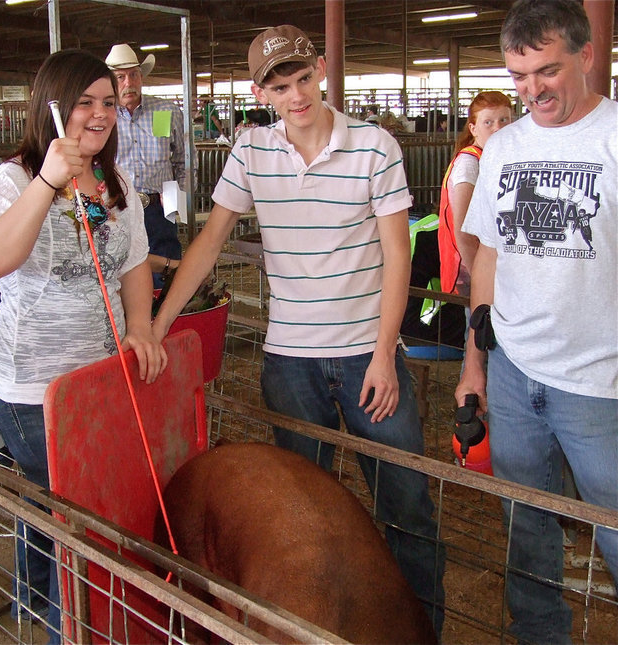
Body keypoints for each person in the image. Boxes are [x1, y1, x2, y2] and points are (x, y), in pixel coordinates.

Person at [151, 25, 445, 638]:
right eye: (280, 87)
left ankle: (425, 633)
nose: (296, 96)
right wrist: (160, 322)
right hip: (290, 359)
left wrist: (386, 353)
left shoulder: (375, 145)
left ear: (320, 71)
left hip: (368, 354)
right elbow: (209, 242)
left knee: (408, 507)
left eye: (303, 80)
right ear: (262, 91)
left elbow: (397, 253)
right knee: (300, 526)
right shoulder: (252, 150)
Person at [0, 49, 166, 643]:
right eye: (85, 102)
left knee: (55, 513)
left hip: (97, 380)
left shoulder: (116, 180)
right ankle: (65, 626)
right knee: (78, 527)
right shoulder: (13, 179)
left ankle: (35, 606)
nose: (100, 114)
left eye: (108, 102)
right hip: (33, 390)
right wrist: (50, 181)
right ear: (52, 106)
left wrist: (140, 324)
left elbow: (133, 262)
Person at [456, 1, 618, 643]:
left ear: (585, 56)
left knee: (614, 523)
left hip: (599, 380)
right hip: (515, 371)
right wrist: (475, 362)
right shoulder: (505, 147)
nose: (531, 91)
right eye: (518, 76)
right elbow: (488, 256)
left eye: (545, 72)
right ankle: (541, 634)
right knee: (526, 522)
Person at [106, 43, 186, 287]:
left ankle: (167, 318)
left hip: (159, 205)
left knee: (167, 267)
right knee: (121, 268)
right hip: (118, 206)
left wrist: (176, 201)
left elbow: (182, 160)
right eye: (120, 77)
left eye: (134, 75)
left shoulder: (165, 111)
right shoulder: (104, 116)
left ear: (142, 77)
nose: (128, 83)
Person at [438, 91, 512, 297]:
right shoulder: (470, 163)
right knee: (481, 325)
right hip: (473, 270)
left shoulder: (493, 159)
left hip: (492, 266)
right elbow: (463, 230)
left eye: (504, 120)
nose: (498, 128)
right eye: (488, 122)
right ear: (473, 129)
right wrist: (480, 277)